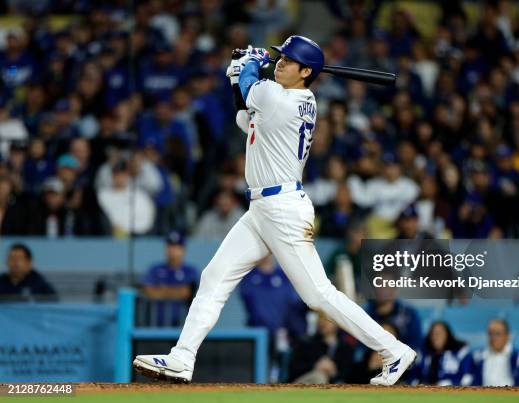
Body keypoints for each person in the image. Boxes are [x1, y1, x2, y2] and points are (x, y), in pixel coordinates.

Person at [133, 35, 417, 386]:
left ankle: (393, 350)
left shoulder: (281, 99)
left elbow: (255, 90)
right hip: (262, 209)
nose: (279, 62)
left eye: (287, 60)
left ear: (306, 71)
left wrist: (249, 63)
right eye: (279, 57)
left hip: (282, 209)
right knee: (214, 278)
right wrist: (241, 76)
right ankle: (182, 357)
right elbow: (244, 114)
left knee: (318, 295)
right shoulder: (288, 98)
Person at [141, 231, 199, 326]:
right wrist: (177, 291)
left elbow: (186, 293)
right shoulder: (155, 269)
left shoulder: (190, 271)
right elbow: (149, 292)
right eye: (170, 245)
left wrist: (162, 290)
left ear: (183, 249)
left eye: (177, 246)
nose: (173, 250)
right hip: (155, 327)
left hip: (183, 327)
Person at [289, 314, 355, 384]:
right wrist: (315, 366)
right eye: (320, 318)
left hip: (334, 384)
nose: (322, 322)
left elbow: (349, 375)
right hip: (305, 383)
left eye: (327, 319)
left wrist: (334, 373)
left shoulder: (346, 348)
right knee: (320, 377)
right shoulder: (306, 343)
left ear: (337, 323)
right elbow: (294, 370)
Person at [470, 319, 519, 386]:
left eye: (497, 333)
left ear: (507, 336)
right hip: (483, 395)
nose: (493, 337)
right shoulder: (478, 357)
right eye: (490, 333)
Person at [412, 321, 473, 386]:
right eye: (433, 334)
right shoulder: (422, 354)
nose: (436, 337)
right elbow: (413, 378)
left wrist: (445, 384)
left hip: (453, 393)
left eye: (440, 333)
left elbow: (468, 378)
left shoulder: (461, 353)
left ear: (448, 335)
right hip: (425, 392)